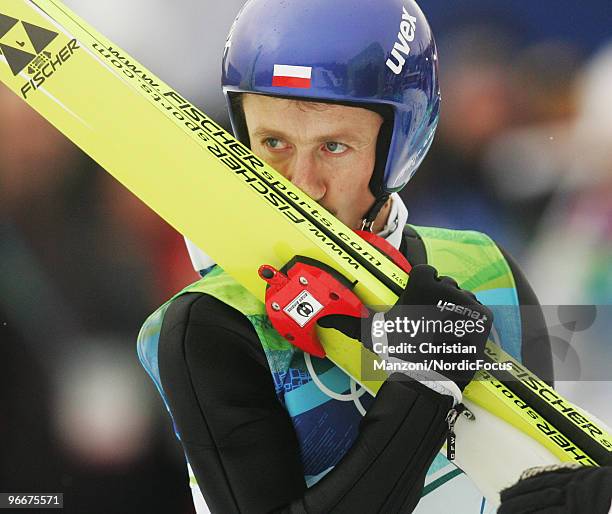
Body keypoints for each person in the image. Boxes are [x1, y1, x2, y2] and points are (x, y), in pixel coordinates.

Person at [137, 0, 611, 512]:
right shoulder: (211, 324)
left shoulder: (486, 269)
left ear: (400, 145)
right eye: (272, 142)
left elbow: (546, 469)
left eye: (334, 147)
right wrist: (424, 383)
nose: (301, 184)